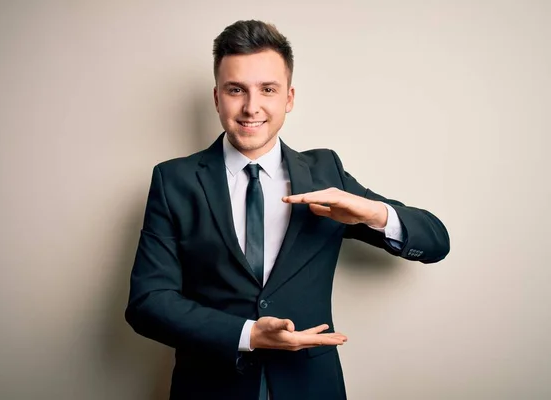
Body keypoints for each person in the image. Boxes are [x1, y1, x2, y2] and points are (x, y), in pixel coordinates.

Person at [125, 19, 450, 400]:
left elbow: (436, 242)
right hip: (211, 385)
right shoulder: (173, 180)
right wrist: (247, 334)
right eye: (235, 90)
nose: (251, 107)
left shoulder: (325, 172)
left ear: (289, 98)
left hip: (310, 387)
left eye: (267, 89)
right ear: (217, 98)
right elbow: (148, 301)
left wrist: (371, 212)